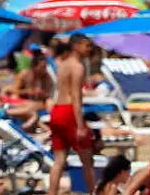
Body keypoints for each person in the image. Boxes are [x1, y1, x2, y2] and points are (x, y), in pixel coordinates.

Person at [48, 35, 93, 195]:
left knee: (59, 160)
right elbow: (76, 97)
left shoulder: (63, 64)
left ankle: (51, 192)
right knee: (87, 159)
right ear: (76, 46)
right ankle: (91, 192)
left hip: (57, 110)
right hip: (69, 112)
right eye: (87, 46)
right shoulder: (78, 67)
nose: (90, 49)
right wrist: (80, 126)